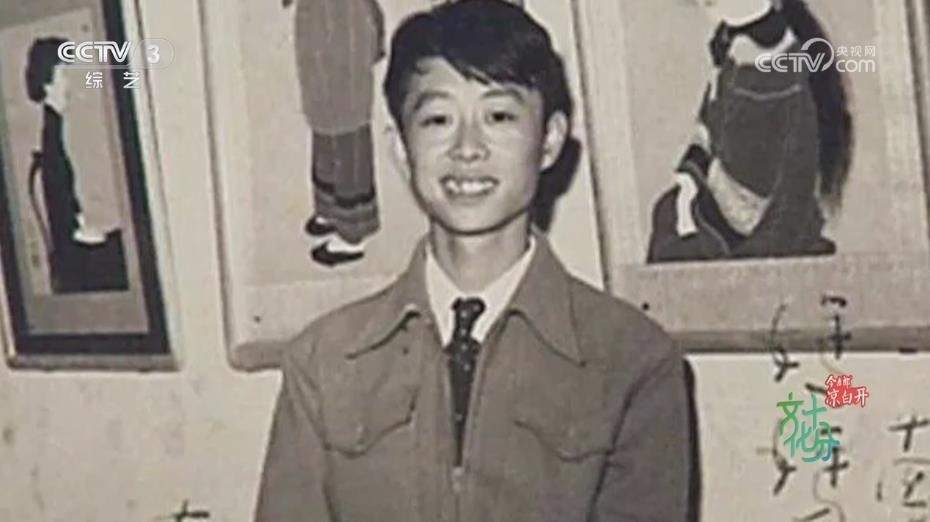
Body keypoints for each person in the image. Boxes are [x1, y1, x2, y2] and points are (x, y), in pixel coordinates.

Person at [255, 1, 693, 521]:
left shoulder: (633, 362)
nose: (467, 148)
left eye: (499, 116)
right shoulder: (323, 364)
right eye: (438, 119)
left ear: (550, 140)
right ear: (401, 148)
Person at [647, 0, 853, 263]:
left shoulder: (783, 63)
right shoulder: (732, 55)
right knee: (668, 215)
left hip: (768, 213)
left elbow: (795, 164)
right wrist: (689, 179)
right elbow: (709, 126)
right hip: (727, 199)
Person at [286, 0, 386, 266]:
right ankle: (330, 208)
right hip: (320, 20)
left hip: (343, 22)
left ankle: (353, 233)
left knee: (347, 122)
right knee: (322, 113)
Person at [25, 37, 127, 293]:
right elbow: (60, 208)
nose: (68, 83)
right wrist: (85, 232)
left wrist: (85, 224)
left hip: (75, 244)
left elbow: (66, 197)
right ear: (48, 82)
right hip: (76, 258)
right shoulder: (51, 135)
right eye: (63, 74)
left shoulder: (54, 129)